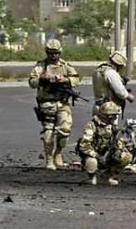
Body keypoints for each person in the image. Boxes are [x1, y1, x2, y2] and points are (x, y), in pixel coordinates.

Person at [29, 39, 81, 170]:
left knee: (65, 130)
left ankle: (58, 152)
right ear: (47, 53)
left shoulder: (65, 65)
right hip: (47, 103)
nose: (53, 56)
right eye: (50, 53)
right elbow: (31, 82)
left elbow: (77, 78)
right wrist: (42, 78)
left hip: (63, 102)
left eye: (56, 53)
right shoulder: (40, 66)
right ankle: (49, 159)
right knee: (48, 132)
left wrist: (66, 79)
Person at [76, 101, 136, 186]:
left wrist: (120, 148)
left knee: (125, 157)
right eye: (112, 116)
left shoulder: (112, 127)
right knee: (92, 162)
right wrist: (97, 156)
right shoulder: (92, 125)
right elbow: (84, 146)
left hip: (107, 154)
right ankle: (92, 177)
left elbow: (118, 141)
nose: (114, 118)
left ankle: (109, 176)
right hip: (94, 154)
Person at [92, 51, 134, 119]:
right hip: (108, 109)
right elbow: (119, 90)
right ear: (118, 65)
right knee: (109, 128)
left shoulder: (99, 70)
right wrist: (128, 96)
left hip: (98, 105)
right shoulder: (111, 73)